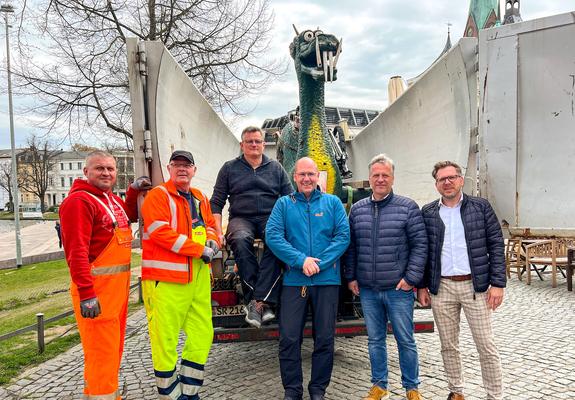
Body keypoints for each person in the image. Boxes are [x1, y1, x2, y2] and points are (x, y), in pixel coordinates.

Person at [59, 150, 151, 400]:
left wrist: (132, 191)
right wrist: (87, 294)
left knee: (111, 352)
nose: (106, 173)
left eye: (110, 169)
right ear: (86, 172)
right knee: (102, 354)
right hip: (96, 293)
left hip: (115, 293)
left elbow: (128, 215)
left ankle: (100, 394)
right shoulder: (79, 202)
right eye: (100, 168)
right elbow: (75, 252)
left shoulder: (108, 199)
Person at [417, 161, 506, 400]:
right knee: (448, 345)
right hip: (442, 288)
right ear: (436, 184)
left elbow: (496, 245)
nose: (447, 182)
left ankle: (494, 395)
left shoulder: (481, 207)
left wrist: (498, 284)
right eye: (441, 179)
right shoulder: (428, 212)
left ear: (460, 179)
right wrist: (422, 285)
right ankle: (456, 391)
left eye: (451, 177)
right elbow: (423, 251)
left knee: (486, 345)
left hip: (475, 286)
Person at [344, 153, 427, 400]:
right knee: (375, 340)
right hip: (368, 289)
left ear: (392, 178)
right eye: (376, 175)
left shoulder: (408, 207)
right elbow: (352, 247)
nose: (380, 179)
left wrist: (411, 278)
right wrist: (351, 277)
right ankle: (379, 386)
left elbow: (420, 245)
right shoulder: (357, 210)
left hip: (398, 289)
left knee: (405, 340)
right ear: (369, 178)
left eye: (385, 175)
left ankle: (412, 388)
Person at [266, 157, 350, 400]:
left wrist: (318, 264)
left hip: (327, 282)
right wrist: (300, 260)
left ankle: (317, 390)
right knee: (289, 338)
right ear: (294, 177)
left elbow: (343, 237)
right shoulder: (283, 204)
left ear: (318, 177)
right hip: (295, 281)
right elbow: (273, 236)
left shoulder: (333, 203)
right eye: (302, 174)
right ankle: (292, 390)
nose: (306, 179)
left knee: (324, 339)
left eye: (311, 174)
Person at [140, 150, 220, 399]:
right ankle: (171, 395)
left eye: (187, 165)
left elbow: (210, 225)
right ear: (169, 168)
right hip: (166, 281)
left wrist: (213, 240)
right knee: (165, 340)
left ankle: (190, 390)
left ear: (194, 170)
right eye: (177, 165)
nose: (182, 169)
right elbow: (159, 232)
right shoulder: (158, 196)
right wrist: (199, 250)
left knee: (202, 334)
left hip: (197, 278)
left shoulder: (200, 197)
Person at [210, 126, 293, 328]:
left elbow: (290, 199)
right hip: (241, 217)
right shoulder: (229, 168)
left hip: (270, 216)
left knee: (276, 242)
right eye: (250, 141)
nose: (254, 145)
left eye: (258, 141)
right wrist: (218, 232)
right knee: (239, 240)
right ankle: (262, 301)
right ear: (242, 145)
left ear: (264, 144)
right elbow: (217, 202)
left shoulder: (276, 168)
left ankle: (256, 302)